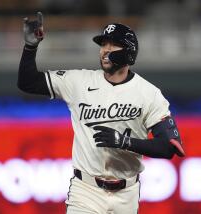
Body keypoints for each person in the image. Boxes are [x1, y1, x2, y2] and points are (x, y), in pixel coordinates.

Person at [18, 12, 185, 214]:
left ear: (129, 52)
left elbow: (169, 148)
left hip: (127, 193)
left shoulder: (148, 93)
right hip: (86, 190)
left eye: (113, 45)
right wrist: (30, 47)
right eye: (103, 45)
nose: (105, 51)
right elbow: (27, 82)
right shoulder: (79, 82)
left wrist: (124, 142)